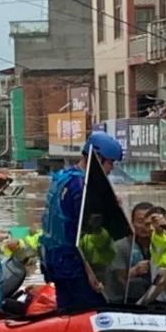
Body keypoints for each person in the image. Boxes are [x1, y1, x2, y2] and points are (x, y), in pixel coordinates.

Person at [40, 131, 124, 311]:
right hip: (71, 262)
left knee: (66, 309)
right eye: (110, 163)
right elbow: (80, 235)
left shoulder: (63, 177)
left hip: (52, 258)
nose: (111, 169)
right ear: (97, 158)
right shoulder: (80, 188)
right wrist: (90, 273)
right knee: (91, 309)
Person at [105, 201, 154, 304]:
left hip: (151, 300)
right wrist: (135, 271)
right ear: (132, 223)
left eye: (148, 222)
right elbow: (120, 280)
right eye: (140, 221)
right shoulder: (120, 246)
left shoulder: (159, 246)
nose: (144, 226)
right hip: (122, 301)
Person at [140, 206, 166, 306]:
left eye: (154, 224)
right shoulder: (156, 246)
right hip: (161, 302)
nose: (150, 228)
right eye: (147, 224)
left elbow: (162, 280)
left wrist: (142, 304)